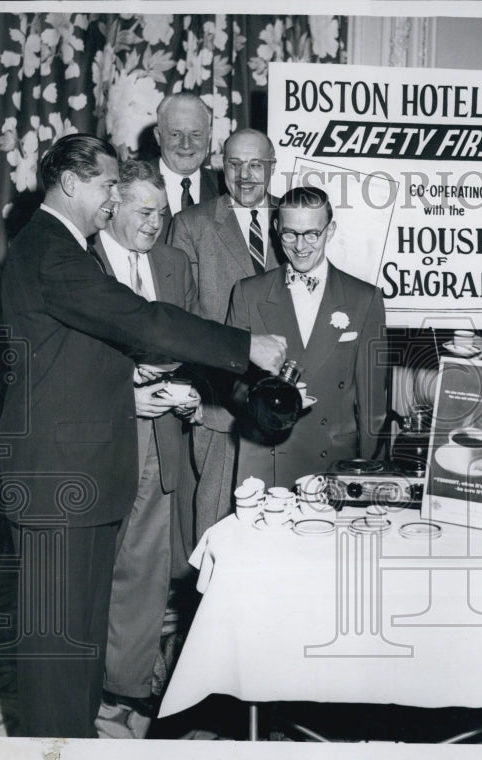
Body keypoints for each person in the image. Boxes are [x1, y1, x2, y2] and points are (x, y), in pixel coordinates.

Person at [0, 134, 287, 738]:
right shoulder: (54, 252)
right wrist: (243, 346)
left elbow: (76, 350)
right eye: (106, 185)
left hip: (77, 479)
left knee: (76, 645)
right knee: (58, 653)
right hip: (59, 484)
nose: (113, 198)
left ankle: (75, 752)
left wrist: (129, 372)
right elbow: (139, 317)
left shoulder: (60, 247)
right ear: (71, 183)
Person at [91, 159, 200, 718]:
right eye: (144, 211)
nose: (156, 223)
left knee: (146, 563)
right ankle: (89, 675)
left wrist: (193, 389)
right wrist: (122, 387)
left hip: (160, 434)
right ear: (112, 206)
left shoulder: (175, 263)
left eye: (163, 212)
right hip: (100, 434)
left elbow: (190, 337)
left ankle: (127, 682)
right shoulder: (81, 261)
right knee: (94, 564)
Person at [227, 186, 387, 487]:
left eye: (312, 234)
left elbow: (372, 405)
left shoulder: (364, 299)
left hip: (333, 463)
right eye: (290, 234)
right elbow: (232, 383)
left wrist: (367, 474)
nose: (300, 246)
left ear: (330, 230)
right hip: (266, 460)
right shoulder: (248, 293)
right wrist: (264, 400)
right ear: (276, 230)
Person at [169, 128, 281, 546]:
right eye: (234, 164)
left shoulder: (296, 219)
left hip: (289, 405)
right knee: (217, 529)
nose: (245, 175)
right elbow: (180, 319)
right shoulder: (192, 225)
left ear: (272, 165)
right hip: (221, 406)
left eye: (256, 164)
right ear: (220, 166)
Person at [151, 92, 222, 241]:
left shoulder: (225, 189)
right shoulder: (129, 185)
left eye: (196, 135)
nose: (186, 145)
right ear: (158, 136)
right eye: (176, 134)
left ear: (209, 137)